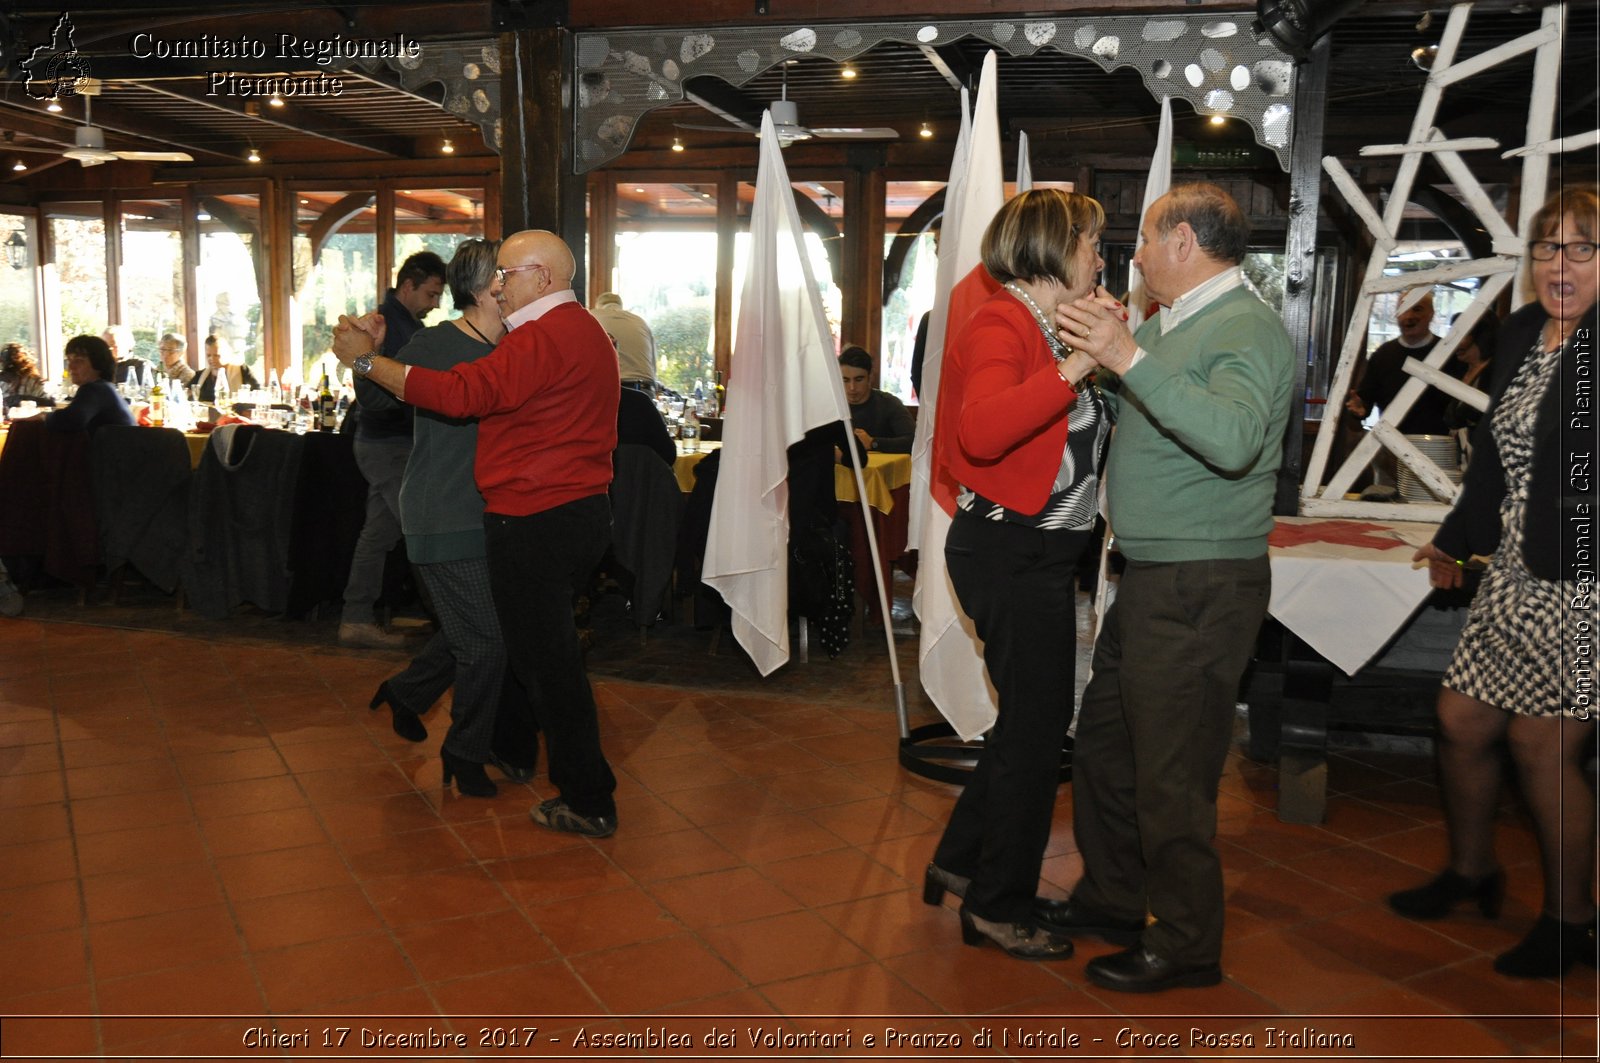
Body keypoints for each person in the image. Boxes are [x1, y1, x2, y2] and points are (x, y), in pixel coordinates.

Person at [1051, 182, 1294, 992]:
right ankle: (1115, 897)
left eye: (1147, 242)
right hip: (1155, 573)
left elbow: (1229, 438)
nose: (1137, 257)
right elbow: (1168, 405)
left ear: (1183, 242)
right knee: (1106, 751)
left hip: (1200, 578)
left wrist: (1126, 357)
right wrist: (1119, 362)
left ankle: (1188, 944)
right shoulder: (1180, 323)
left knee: (1173, 775)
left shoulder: (1247, 326)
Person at [330, 229, 621, 838]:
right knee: (526, 647)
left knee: (548, 666)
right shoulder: (584, 329)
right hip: (576, 512)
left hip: (536, 518)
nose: (497, 286)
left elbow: (462, 394)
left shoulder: (544, 335)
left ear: (542, 278)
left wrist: (364, 359)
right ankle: (509, 749)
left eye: (506, 276)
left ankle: (589, 796)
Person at [1390, 184, 1599, 979]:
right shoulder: (1519, 333)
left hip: (1588, 583)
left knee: (1542, 744)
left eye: (1583, 247)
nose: (1561, 263)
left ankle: (1572, 918)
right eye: (1547, 247)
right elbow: (1496, 464)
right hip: (1516, 571)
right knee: (1462, 720)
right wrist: (1456, 539)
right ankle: (1473, 870)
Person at [923, 188, 1110, 960]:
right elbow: (983, 428)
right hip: (1011, 555)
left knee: (1023, 731)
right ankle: (997, 907)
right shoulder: (1004, 320)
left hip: (1029, 553)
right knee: (1035, 740)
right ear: (1053, 249)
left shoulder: (1041, 319)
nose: (1103, 256)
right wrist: (1078, 366)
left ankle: (962, 861)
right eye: (1094, 243)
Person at [361, 240, 524, 796]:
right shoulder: (435, 344)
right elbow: (380, 405)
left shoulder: (516, 348)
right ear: (490, 288)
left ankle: (408, 692)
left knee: (480, 629)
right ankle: (464, 752)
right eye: (511, 275)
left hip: (492, 515)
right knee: (486, 643)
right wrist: (369, 356)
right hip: (441, 510)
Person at [338, 250, 447, 649]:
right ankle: (451, 620)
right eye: (431, 294)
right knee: (423, 531)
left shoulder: (402, 324)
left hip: (386, 442)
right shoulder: (387, 326)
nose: (435, 305)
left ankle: (355, 619)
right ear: (408, 286)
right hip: (386, 444)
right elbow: (377, 391)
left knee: (379, 534)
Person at [1346, 289, 1466, 435]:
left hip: (1438, 446)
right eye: (1404, 310)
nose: (1409, 316)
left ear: (1431, 314)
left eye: (1417, 309)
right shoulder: (1383, 355)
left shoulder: (1449, 354)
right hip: (1390, 445)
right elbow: (1365, 401)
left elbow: (1460, 406)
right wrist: (1359, 410)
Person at [45, 335, 135, 434]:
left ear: (98, 364)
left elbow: (72, 420)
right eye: (69, 360)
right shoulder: (106, 387)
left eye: (78, 361)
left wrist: (44, 416)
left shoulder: (95, 389)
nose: (70, 366)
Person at [838, 345, 916, 454]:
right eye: (845, 380)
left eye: (858, 379)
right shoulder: (833, 407)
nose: (852, 387)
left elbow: (914, 441)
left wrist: (873, 443)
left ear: (870, 378)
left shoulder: (888, 403)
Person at [1443, 315, 1498, 434]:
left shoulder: (1496, 373)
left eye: (1460, 335)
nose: (1452, 341)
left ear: (1482, 336)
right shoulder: (1455, 369)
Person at [592, 292, 656, 390]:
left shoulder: (590, 316)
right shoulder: (640, 322)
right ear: (620, 306)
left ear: (598, 306)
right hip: (643, 391)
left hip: (606, 389)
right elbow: (653, 367)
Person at [191, 335, 259, 404]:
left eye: (216, 355)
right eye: (208, 355)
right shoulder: (200, 376)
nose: (212, 359)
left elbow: (257, 393)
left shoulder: (242, 371)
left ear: (226, 353)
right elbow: (188, 395)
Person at [0, 342, 48, 407]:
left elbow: (47, 403)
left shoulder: (33, 381)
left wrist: (21, 399)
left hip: (31, 415)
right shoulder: (2, 380)